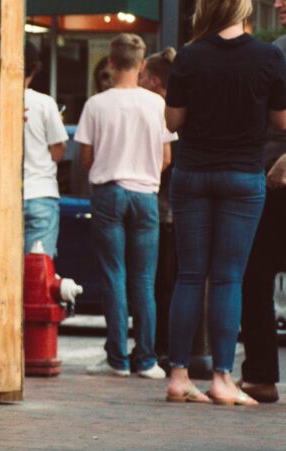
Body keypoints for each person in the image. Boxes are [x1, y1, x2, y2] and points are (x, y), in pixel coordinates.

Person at [164, 0, 286, 405]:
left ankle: (179, 376)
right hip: (242, 175)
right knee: (228, 277)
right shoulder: (268, 56)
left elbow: (172, 121)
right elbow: (281, 121)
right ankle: (221, 378)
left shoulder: (189, 55)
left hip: (193, 172)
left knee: (190, 275)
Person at [75, 33, 173, 380]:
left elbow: (85, 158)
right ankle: (146, 360)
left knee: (113, 276)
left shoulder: (96, 105)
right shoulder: (157, 105)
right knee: (144, 281)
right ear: (142, 64)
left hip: (109, 192)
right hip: (146, 196)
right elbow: (166, 157)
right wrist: (142, 172)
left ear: (111, 63)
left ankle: (117, 358)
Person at [239, 0, 286, 404]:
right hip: (269, 176)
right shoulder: (279, 49)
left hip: (277, 179)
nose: (277, 3)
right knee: (255, 275)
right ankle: (260, 375)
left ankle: (260, 374)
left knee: (256, 274)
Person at [138, 48, 178, 369]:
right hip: (170, 210)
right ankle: (162, 348)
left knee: (158, 283)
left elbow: (166, 161)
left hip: (163, 208)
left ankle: (157, 347)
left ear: (153, 81)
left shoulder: (164, 111)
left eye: (141, 77)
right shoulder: (170, 111)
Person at [23, 41, 67, 258]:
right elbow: (58, 153)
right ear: (35, 67)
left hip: (1, 197)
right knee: (38, 271)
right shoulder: (44, 103)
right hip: (41, 192)